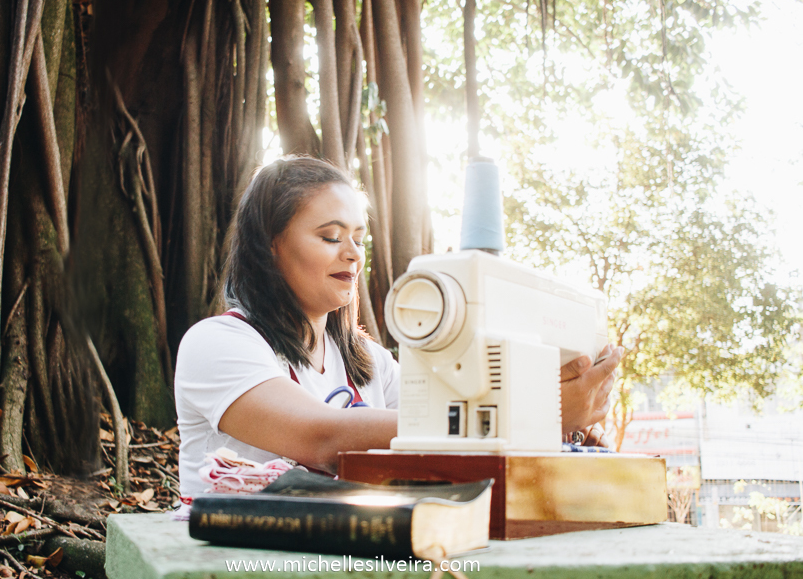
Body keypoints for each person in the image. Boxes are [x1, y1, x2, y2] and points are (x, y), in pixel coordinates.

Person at [175, 156, 622, 500]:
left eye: (359, 238)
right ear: (270, 246)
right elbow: (323, 438)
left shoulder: (372, 363)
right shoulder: (216, 344)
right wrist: (530, 413)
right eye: (331, 237)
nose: (352, 253)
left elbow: (440, 442)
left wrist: (559, 429)